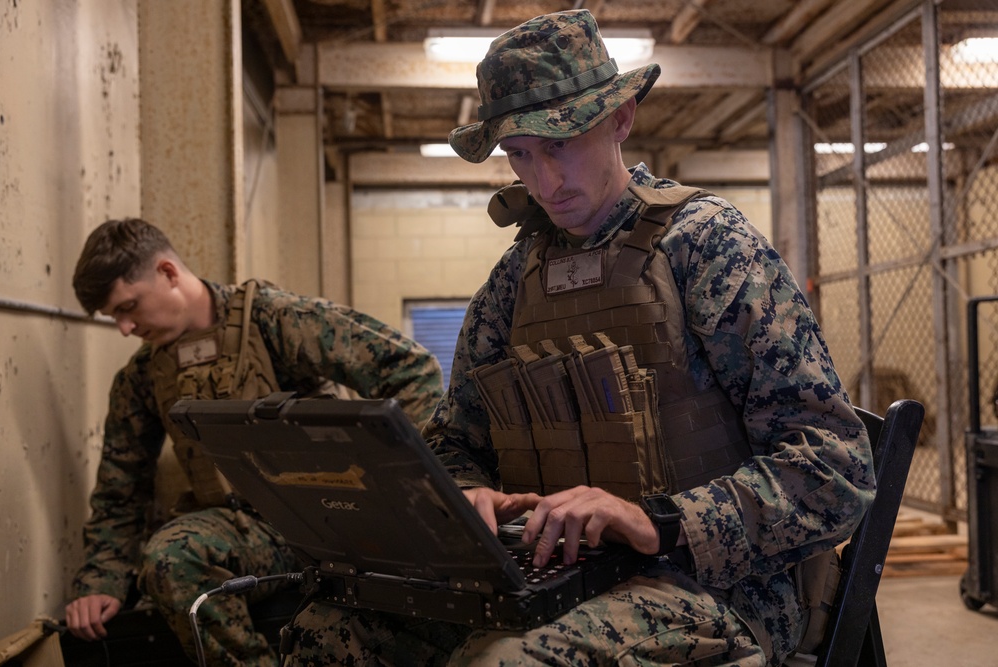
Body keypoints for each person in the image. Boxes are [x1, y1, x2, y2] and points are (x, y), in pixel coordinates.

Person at [285, 9, 874, 666]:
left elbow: (835, 468)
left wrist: (659, 520)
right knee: (322, 631)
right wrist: (465, 497)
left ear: (620, 120)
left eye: (558, 146)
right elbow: (458, 442)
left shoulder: (707, 247)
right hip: (554, 574)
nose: (543, 181)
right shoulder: (514, 280)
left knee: (505, 661)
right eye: (520, 156)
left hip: (712, 585)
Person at [65, 217, 444, 666]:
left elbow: (410, 368)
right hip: (250, 530)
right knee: (170, 558)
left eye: (129, 307)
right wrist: (101, 581)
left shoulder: (275, 319)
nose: (125, 328)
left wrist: (418, 492)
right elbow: (119, 491)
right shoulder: (141, 377)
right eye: (115, 317)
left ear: (167, 273)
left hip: (328, 519)